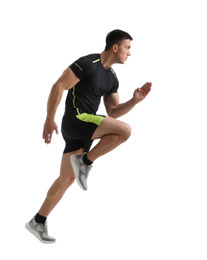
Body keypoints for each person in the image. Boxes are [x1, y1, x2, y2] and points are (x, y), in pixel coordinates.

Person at [25, 29, 152, 243]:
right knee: (125, 130)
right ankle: (85, 161)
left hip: (86, 128)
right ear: (115, 47)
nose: (129, 53)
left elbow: (113, 111)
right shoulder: (87, 63)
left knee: (67, 178)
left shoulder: (112, 78)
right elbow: (59, 85)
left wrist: (134, 100)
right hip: (76, 120)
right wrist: (49, 118)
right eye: (127, 48)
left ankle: (38, 220)